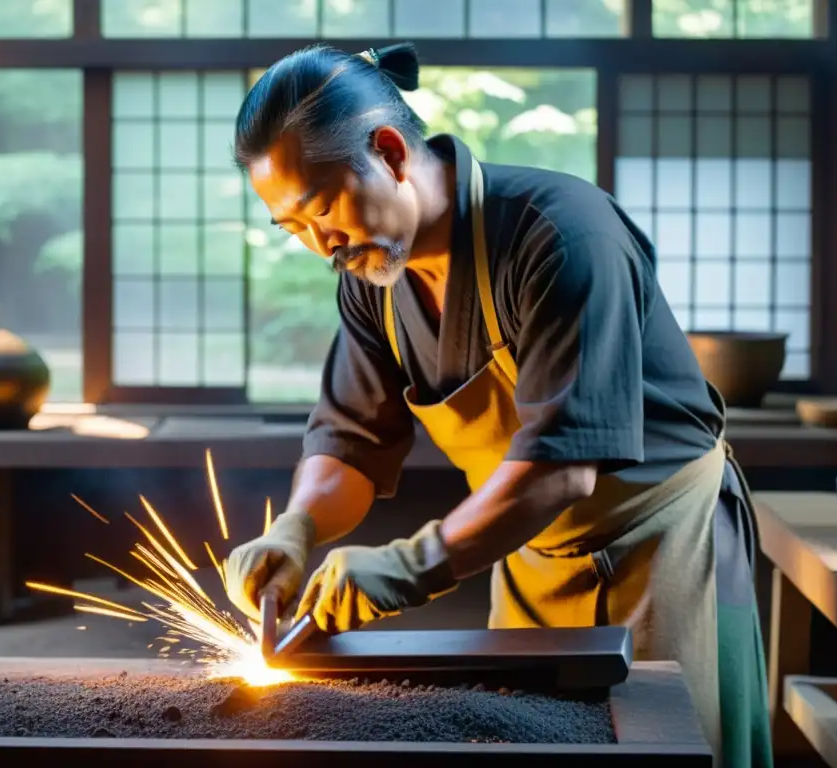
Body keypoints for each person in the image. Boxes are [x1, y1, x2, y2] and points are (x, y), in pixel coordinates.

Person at [223, 42, 774, 768]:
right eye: (293, 228)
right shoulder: (370, 278)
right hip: (527, 553)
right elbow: (349, 445)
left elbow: (558, 469)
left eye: (322, 209)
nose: (320, 245)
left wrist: (409, 565)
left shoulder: (563, 235)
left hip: (666, 546)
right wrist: (295, 528)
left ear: (389, 152)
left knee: (669, 748)